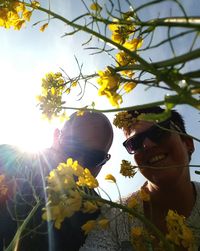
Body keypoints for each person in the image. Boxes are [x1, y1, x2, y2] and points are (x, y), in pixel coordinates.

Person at [80, 107, 200, 251]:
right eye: (135, 143)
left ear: (188, 144)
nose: (147, 145)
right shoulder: (115, 217)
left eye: (159, 132)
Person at [0, 110, 113, 251]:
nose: (78, 163)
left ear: (103, 162)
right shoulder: (6, 159)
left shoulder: (98, 214)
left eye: (94, 157)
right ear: (55, 137)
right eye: (72, 146)